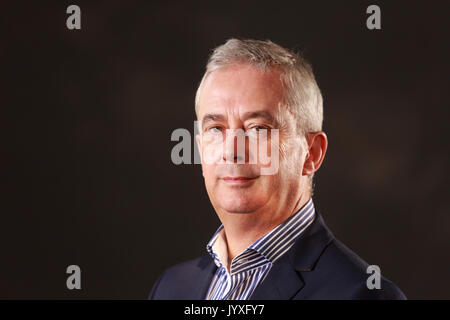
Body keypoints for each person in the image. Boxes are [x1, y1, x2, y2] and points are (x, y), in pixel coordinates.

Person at [149, 39, 406, 300]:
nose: (232, 151)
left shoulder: (363, 295)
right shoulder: (171, 288)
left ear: (312, 153)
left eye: (258, 128)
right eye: (216, 129)